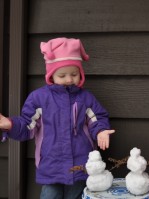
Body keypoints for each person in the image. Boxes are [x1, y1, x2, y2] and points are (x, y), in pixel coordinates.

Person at [0, 37, 115, 199]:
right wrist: (10, 124)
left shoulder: (85, 98)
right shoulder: (39, 99)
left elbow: (97, 118)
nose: (69, 79)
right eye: (62, 75)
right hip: (51, 165)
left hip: (81, 164)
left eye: (74, 74)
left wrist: (101, 131)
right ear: (51, 76)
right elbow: (27, 125)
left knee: (77, 195)